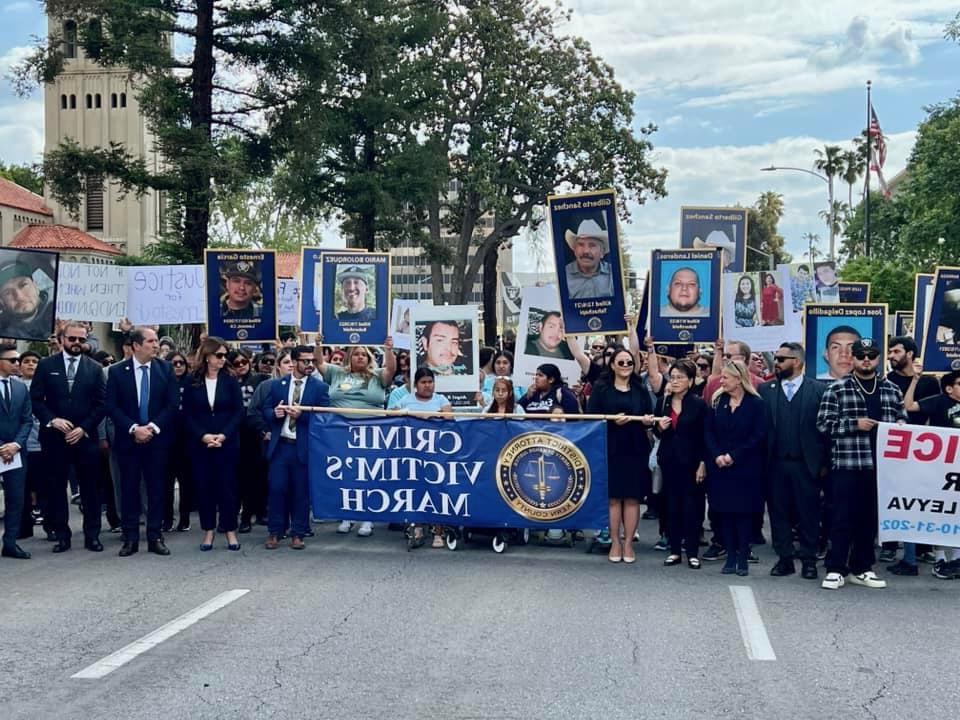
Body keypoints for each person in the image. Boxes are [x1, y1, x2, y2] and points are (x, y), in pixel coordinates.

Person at [816, 340, 907, 590]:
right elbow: (823, 425)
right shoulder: (836, 388)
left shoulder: (891, 389)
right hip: (848, 464)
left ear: (879, 358)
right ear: (853, 359)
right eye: (861, 355)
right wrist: (854, 424)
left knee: (869, 520)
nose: (866, 359)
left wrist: (901, 425)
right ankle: (836, 568)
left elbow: (903, 418)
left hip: (881, 466)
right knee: (842, 517)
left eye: (871, 355)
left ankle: (862, 567)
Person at [30, 321, 107, 553]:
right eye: (72, 339)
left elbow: (101, 404)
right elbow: (35, 400)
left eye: (81, 340)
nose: (76, 343)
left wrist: (83, 428)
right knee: (56, 488)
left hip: (85, 438)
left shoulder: (94, 368)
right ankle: (62, 535)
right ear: (62, 339)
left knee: (90, 489)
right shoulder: (45, 365)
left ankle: (92, 535)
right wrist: (53, 420)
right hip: (54, 438)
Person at [105, 326, 180, 557]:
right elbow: (111, 406)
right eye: (150, 341)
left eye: (156, 341)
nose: (156, 345)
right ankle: (130, 538)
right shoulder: (117, 372)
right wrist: (133, 428)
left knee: (156, 489)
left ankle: (155, 536)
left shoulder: (165, 369)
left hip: (157, 440)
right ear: (136, 345)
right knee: (128, 489)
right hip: (128, 441)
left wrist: (153, 428)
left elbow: (172, 404)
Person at [758, 342, 828, 580]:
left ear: (796, 362)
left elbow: (825, 431)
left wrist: (823, 464)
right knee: (778, 513)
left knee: (808, 514)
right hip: (775, 463)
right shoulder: (767, 390)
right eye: (776, 358)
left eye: (780, 359)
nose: (776, 363)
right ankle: (784, 558)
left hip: (806, 465)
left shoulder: (818, 390)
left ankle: (809, 560)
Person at [317, 339, 396, 537]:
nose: (360, 357)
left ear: (369, 358)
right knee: (346, 473)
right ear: (349, 357)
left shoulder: (377, 375)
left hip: (370, 431)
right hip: (340, 432)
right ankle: (347, 516)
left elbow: (391, 369)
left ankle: (367, 518)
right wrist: (318, 343)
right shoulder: (337, 373)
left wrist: (388, 349)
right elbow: (319, 362)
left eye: (363, 354)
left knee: (367, 474)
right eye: (356, 354)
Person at [587, 347, 655, 564]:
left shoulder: (640, 388)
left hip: (635, 446)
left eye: (629, 363)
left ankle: (628, 544)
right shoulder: (601, 388)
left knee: (633, 498)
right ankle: (615, 541)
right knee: (614, 498)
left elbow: (649, 413)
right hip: (610, 445)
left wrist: (646, 421)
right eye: (621, 362)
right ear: (613, 364)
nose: (626, 366)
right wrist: (611, 419)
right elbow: (591, 416)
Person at [262, 345, 330, 550]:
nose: (310, 364)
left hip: (303, 447)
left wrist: (303, 416)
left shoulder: (319, 387)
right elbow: (265, 409)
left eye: (311, 361)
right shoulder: (277, 385)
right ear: (294, 362)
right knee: (276, 488)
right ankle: (275, 531)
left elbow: (325, 416)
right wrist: (274, 413)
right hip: (281, 445)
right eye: (305, 361)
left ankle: (298, 533)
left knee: (301, 491)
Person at [704, 360, 767, 576]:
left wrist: (734, 456)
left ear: (738, 379)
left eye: (725, 378)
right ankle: (730, 555)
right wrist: (717, 455)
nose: (721, 381)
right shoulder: (718, 401)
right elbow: (709, 432)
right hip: (720, 468)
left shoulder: (756, 404)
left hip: (745, 468)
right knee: (725, 513)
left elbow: (758, 435)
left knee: (743, 513)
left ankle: (743, 556)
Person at [183, 338, 245, 552]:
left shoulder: (230, 380)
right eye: (219, 355)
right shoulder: (193, 381)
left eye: (224, 355)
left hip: (226, 443)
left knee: (227, 488)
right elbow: (187, 414)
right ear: (207, 356)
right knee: (204, 488)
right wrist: (203, 436)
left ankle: (229, 530)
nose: (223, 359)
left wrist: (223, 435)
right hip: (201, 445)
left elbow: (238, 412)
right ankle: (208, 530)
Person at [904, 369, 960, 578]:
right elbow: (909, 406)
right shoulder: (938, 402)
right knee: (940, 513)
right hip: (939, 469)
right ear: (948, 388)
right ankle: (940, 560)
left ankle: (956, 558)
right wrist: (915, 380)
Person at [652, 359, 708, 569]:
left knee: (692, 507)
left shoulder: (699, 404)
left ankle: (692, 551)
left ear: (691, 380)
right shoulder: (663, 402)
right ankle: (675, 550)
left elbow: (705, 436)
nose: (674, 381)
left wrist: (703, 462)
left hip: (692, 463)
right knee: (671, 506)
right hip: (669, 461)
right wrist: (659, 427)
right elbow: (657, 433)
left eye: (680, 378)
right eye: (672, 377)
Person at [393, 367, 452, 549]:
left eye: (430, 382)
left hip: (436, 455)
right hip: (412, 455)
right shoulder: (405, 400)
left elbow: (449, 417)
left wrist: (420, 416)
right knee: (414, 491)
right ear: (416, 385)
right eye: (423, 382)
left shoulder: (441, 399)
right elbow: (392, 416)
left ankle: (438, 531)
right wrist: (424, 417)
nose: (427, 386)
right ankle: (417, 527)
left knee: (437, 492)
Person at [0, 344, 33, 559]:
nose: (17, 364)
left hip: (15, 453)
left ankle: (10, 543)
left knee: (16, 499)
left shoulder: (20, 387)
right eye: (12, 360)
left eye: (17, 360)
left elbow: (27, 420)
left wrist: (16, 445)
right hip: (3, 448)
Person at [232, 348, 268, 533]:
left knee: (260, 475)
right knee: (243, 478)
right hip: (236, 435)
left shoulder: (259, 380)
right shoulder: (228, 382)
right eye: (236, 363)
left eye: (243, 362)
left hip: (256, 434)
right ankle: (245, 516)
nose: (241, 367)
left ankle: (261, 512)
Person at [15, 350, 44, 541]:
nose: (31, 365)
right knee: (22, 488)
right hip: (22, 445)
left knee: (45, 486)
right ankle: (24, 526)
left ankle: (51, 524)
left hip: (43, 444)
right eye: (27, 361)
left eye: (35, 361)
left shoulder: (45, 384)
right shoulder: (15, 386)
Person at [164, 351, 193, 532]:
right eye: (174, 363)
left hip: (187, 439)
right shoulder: (163, 382)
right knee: (165, 483)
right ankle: (166, 519)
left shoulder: (191, 383)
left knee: (186, 483)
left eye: (181, 363)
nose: (179, 366)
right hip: (166, 438)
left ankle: (184, 518)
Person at [0, 258, 55, 340]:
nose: (19, 296)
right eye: (8, 292)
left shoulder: (55, 314)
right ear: (2, 302)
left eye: (23, 285)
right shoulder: (3, 330)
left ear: (36, 287)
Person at [563, 218, 614, 299]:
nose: (586, 251)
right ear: (575, 250)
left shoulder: (614, 275)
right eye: (581, 245)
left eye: (592, 245)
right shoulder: (563, 276)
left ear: (602, 252)